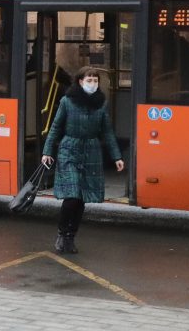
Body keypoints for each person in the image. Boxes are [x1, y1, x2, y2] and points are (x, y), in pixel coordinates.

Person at [41, 66, 124, 254]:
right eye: (89, 80)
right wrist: (47, 152)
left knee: (81, 199)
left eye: (95, 81)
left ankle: (70, 237)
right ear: (80, 82)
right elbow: (55, 128)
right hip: (69, 150)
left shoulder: (101, 104)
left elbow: (108, 132)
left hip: (91, 151)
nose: (93, 84)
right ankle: (62, 233)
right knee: (72, 196)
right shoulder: (67, 102)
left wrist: (116, 156)